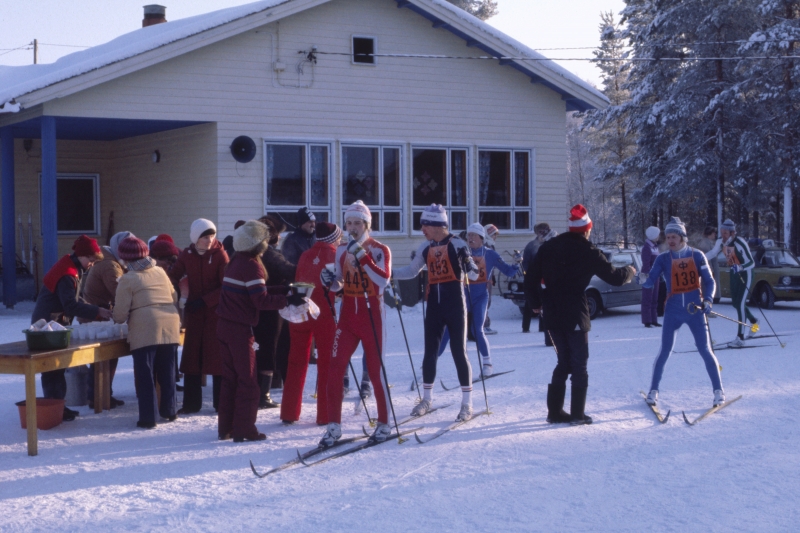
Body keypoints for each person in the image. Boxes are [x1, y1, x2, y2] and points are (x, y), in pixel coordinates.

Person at [525, 205, 635, 425]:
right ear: (587, 229)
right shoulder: (589, 250)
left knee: (562, 361)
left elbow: (530, 277)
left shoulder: (548, 247)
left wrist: (535, 304)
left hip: (552, 311)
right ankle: (577, 414)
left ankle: (554, 412)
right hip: (574, 310)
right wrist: (629, 272)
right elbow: (613, 276)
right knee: (579, 363)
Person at [394, 204, 479, 423]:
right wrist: (386, 274)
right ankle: (427, 399)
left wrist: (469, 263)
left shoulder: (458, 243)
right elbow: (412, 271)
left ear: (437, 225)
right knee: (430, 352)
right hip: (434, 306)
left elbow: (475, 276)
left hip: (455, 305)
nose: (422, 229)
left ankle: (467, 403)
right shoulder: (426, 247)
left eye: (425, 225)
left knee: (459, 352)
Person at [318, 200, 393, 445]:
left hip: (372, 316)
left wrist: (363, 256)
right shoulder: (341, 250)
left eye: (357, 223)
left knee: (374, 370)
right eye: (348, 223)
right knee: (335, 367)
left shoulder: (380, 249)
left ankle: (383, 423)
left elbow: (383, 281)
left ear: (366, 225)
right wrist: (328, 279)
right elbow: (339, 283)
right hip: (349, 315)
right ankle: (333, 426)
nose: (352, 227)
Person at [216, 220, 292, 442]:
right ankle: (245, 429)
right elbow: (261, 300)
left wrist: (283, 290)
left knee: (230, 379)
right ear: (258, 244)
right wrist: (287, 300)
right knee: (249, 381)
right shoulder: (253, 265)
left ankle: (226, 427)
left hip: (224, 325)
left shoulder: (236, 261)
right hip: (240, 329)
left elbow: (255, 289)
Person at [641, 217, 725, 408]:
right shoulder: (663, 258)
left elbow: (710, 281)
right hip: (673, 311)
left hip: (695, 310)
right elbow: (651, 280)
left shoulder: (697, 255)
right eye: (668, 237)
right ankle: (653, 390)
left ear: (682, 237)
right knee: (664, 351)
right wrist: (642, 279)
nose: (670, 240)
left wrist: (709, 299)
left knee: (705, 350)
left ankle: (718, 391)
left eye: (674, 237)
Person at [32, 235, 110, 421]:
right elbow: (70, 306)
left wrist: (92, 307)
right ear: (82, 255)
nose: (91, 264)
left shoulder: (73, 267)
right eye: (90, 260)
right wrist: (97, 311)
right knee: (52, 367)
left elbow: (74, 300)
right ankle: (54, 408)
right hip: (47, 326)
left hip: (56, 323)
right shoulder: (67, 273)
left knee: (59, 366)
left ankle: (59, 406)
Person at [112, 237, 181, 429]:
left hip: (145, 327)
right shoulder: (159, 270)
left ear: (125, 258)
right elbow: (174, 295)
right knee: (167, 371)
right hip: (170, 323)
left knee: (146, 374)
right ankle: (170, 411)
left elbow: (120, 313)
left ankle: (148, 418)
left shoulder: (128, 278)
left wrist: (115, 317)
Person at [437, 223, 521, 376]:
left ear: (481, 237)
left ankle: (488, 364)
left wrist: (516, 263)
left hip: (481, 296)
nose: (470, 238)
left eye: (473, 235)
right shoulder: (461, 251)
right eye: (468, 235)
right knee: (449, 330)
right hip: (463, 296)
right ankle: (430, 362)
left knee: (477, 330)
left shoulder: (490, 254)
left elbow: (508, 272)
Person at [280, 222, 342, 425]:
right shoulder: (336, 256)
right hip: (324, 314)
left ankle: (289, 412)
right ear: (334, 239)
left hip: (301, 311)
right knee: (327, 364)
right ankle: (325, 415)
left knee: (295, 362)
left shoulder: (306, 255)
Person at [169, 218, 229, 414]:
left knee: (217, 358)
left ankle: (221, 403)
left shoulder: (221, 255)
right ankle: (191, 404)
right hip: (194, 314)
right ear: (196, 238)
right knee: (192, 358)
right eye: (205, 237)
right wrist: (179, 294)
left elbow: (225, 286)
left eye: (212, 235)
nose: (209, 240)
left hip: (214, 313)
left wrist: (205, 301)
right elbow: (172, 276)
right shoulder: (187, 255)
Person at [82, 231, 132, 409]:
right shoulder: (110, 266)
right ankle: (97, 397)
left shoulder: (112, 261)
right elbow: (121, 293)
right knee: (101, 357)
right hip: (94, 316)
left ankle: (103, 394)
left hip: (100, 313)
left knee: (109, 357)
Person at [254, 214, 296, 407]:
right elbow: (289, 270)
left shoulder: (256, 253)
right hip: (271, 308)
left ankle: (263, 391)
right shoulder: (270, 254)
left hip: (261, 307)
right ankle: (264, 394)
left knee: (264, 347)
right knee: (270, 347)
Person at [706, 219, 757, 347]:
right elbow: (713, 253)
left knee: (740, 304)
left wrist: (740, 267)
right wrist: (699, 258)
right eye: (722, 232)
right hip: (734, 274)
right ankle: (754, 322)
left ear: (732, 233)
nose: (723, 235)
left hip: (746, 273)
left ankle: (740, 338)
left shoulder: (740, 242)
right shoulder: (720, 241)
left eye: (726, 233)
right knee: (735, 303)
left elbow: (751, 262)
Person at [521, 223, 553, 333]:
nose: (543, 233)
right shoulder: (531, 246)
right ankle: (525, 327)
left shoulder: (550, 244)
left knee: (544, 303)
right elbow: (525, 263)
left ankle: (542, 327)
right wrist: (529, 276)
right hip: (533, 279)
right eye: (540, 231)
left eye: (545, 231)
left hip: (546, 279)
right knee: (529, 302)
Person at [641, 226, 662, 328]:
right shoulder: (647, 247)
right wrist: (648, 277)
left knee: (655, 298)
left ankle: (654, 319)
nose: (658, 237)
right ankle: (647, 320)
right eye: (657, 235)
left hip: (655, 275)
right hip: (647, 276)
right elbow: (646, 264)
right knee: (647, 298)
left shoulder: (655, 246)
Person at [482, 224, 500, 335]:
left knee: (487, 302)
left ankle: (485, 324)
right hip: (483, 279)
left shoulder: (491, 245)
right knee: (484, 302)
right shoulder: (486, 246)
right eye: (494, 235)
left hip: (488, 278)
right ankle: (483, 325)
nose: (495, 237)